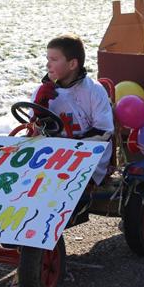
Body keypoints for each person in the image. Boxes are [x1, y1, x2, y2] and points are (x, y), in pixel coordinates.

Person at [32, 34, 114, 189]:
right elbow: (35, 133)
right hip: (52, 155)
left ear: (72, 64)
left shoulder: (94, 91)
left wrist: (70, 147)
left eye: (54, 60)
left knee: (63, 182)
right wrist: (39, 110)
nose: (48, 65)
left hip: (88, 156)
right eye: (48, 59)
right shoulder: (42, 91)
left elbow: (104, 131)